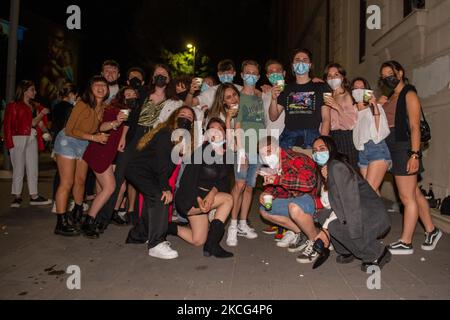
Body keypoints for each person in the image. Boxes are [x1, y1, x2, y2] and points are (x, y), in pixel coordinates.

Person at [96, 64, 182, 229]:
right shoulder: (142, 94)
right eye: (157, 74)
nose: (160, 76)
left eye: (164, 74)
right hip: (135, 136)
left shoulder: (175, 102)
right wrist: (123, 137)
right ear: (152, 77)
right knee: (118, 177)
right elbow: (131, 116)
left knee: (147, 177)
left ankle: (145, 220)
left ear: (169, 79)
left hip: (155, 140)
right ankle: (101, 219)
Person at [380, 61, 442, 255]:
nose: (388, 78)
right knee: (414, 193)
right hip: (394, 148)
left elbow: (415, 126)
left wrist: (414, 155)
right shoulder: (392, 96)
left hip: (404, 149)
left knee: (406, 197)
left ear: (400, 72)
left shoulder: (409, 94)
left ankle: (406, 242)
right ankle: (432, 231)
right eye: (384, 76)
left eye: (391, 73)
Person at [312, 136, 392, 271]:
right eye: (314, 150)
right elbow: (330, 205)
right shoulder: (325, 171)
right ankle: (347, 250)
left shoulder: (337, 167)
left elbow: (349, 204)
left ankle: (377, 252)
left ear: (331, 150)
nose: (318, 153)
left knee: (334, 225)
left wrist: (328, 230)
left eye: (322, 149)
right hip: (358, 212)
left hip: (371, 215)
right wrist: (327, 180)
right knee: (322, 216)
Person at [125, 106, 196, 260]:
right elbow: (163, 163)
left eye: (189, 117)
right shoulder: (167, 133)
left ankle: (138, 235)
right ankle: (156, 243)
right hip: (139, 170)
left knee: (151, 202)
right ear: (174, 117)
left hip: (149, 172)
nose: (186, 118)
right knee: (160, 198)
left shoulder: (180, 138)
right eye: (182, 114)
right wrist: (165, 188)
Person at [53, 76, 110, 236]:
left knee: (81, 180)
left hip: (84, 144)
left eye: (103, 85)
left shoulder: (103, 107)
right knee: (67, 182)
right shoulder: (82, 104)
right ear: (90, 89)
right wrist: (94, 137)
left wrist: (113, 124)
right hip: (68, 141)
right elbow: (70, 129)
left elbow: (97, 127)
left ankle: (77, 211)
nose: (100, 87)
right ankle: (61, 222)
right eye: (96, 84)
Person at [169, 118, 234, 258]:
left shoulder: (228, 154)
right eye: (212, 128)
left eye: (219, 128)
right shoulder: (201, 151)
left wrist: (212, 194)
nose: (216, 131)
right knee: (228, 199)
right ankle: (213, 245)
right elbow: (187, 180)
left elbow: (224, 182)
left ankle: (165, 227)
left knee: (197, 240)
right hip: (190, 198)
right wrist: (193, 202)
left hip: (209, 199)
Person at [257, 136, 319, 264]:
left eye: (268, 152)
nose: (265, 157)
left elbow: (309, 183)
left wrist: (277, 179)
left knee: (294, 208)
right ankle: (301, 233)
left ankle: (315, 242)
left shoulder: (296, 158)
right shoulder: (272, 166)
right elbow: (279, 189)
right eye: (262, 154)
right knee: (264, 210)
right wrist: (266, 193)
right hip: (293, 200)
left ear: (278, 149)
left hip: (312, 199)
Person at [226, 60, 266, 247]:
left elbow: (263, 124)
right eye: (247, 72)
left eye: (254, 73)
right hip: (243, 148)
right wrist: (241, 152)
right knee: (239, 185)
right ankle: (232, 226)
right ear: (242, 76)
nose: (250, 75)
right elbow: (237, 126)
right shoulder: (238, 99)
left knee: (250, 187)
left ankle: (243, 223)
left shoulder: (260, 98)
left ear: (258, 77)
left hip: (258, 149)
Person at [80, 88, 128, 238]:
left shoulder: (129, 113)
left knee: (103, 189)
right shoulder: (114, 109)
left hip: (107, 154)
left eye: (134, 95)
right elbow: (100, 127)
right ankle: (88, 221)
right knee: (110, 187)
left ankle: (93, 220)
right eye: (128, 94)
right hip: (99, 151)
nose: (131, 96)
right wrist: (115, 122)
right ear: (121, 97)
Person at [269, 49, 331, 151]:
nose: (301, 63)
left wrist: (322, 143)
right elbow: (273, 117)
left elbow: (326, 118)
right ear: (293, 65)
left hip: (312, 139)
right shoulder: (285, 88)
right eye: (297, 60)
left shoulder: (323, 87)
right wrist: (273, 99)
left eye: (305, 60)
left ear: (310, 65)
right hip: (289, 139)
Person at [3, 80, 52, 208]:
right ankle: (17, 197)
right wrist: (9, 143)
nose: (35, 92)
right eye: (32, 90)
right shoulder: (13, 106)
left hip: (32, 137)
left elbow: (39, 124)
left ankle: (34, 196)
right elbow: (8, 126)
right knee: (18, 168)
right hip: (18, 138)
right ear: (25, 91)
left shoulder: (35, 106)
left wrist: (47, 133)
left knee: (33, 167)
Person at [351, 77, 391, 194]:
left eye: (362, 88)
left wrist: (375, 106)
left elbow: (381, 128)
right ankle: (380, 213)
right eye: (355, 88)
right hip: (362, 152)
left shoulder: (374, 107)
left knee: (368, 192)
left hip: (376, 149)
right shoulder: (353, 112)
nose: (359, 90)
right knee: (373, 192)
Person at [323, 63, 359, 168]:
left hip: (346, 138)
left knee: (349, 173)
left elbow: (351, 123)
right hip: (332, 138)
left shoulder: (348, 95)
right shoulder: (327, 96)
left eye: (336, 74)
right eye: (329, 76)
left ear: (342, 77)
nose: (333, 78)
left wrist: (337, 107)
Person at [50, 83, 79, 212]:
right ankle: (65, 202)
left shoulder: (56, 106)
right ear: (72, 94)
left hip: (57, 141)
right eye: (76, 96)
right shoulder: (70, 108)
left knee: (60, 174)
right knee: (68, 177)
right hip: (68, 142)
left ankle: (56, 202)